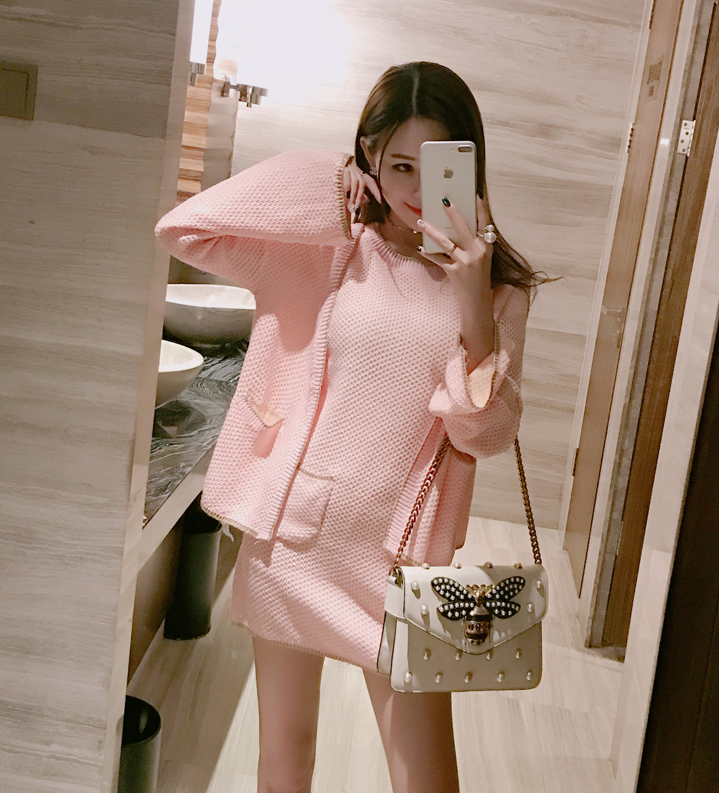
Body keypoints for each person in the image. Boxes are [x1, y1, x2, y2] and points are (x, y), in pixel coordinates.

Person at [155, 61, 546, 793]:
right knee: (285, 762)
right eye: (400, 165)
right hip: (294, 539)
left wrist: (471, 301)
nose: (420, 189)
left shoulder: (499, 291)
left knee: (428, 781)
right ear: (370, 155)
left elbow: (484, 435)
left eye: (438, 166)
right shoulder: (329, 246)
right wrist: (328, 183)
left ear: (469, 165)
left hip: (405, 567)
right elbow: (186, 230)